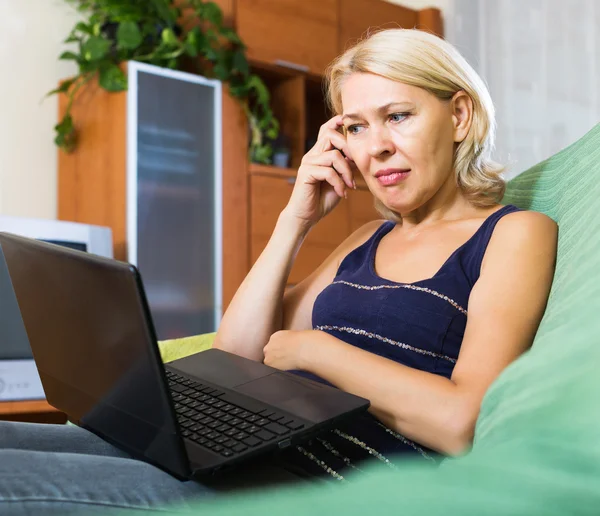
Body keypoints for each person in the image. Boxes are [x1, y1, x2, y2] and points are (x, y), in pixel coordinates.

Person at [0, 28, 557, 514]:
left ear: (459, 115)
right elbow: (235, 354)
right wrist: (295, 220)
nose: (378, 148)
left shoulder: (511, 234)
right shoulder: (368, 238)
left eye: (399, 116)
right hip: (254, 443)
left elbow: (461, 422)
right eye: (356, 127)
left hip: (312, 480)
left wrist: (316, 351)